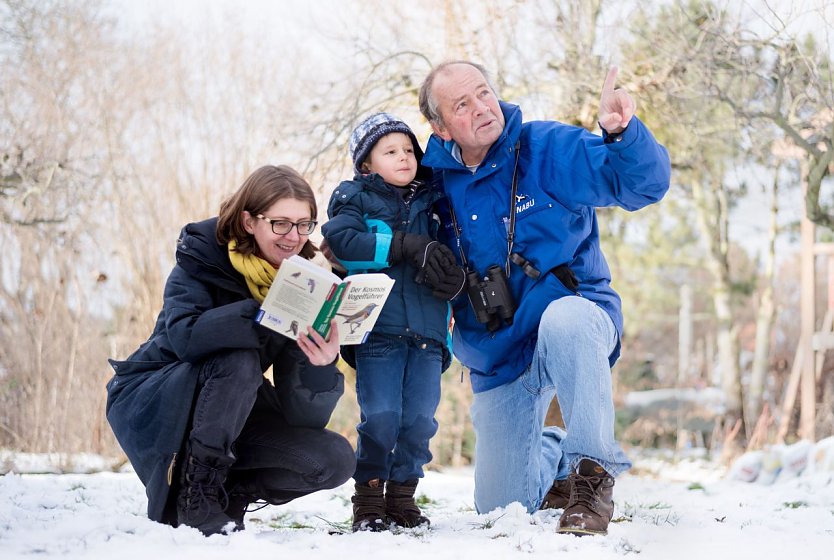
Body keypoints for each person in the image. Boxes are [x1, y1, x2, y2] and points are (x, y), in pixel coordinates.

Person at [417, 61, 671, 536]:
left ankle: (591, 476)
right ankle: (553, 452)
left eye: (484, 93)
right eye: (462, 105)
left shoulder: (546, 148)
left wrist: (622, 135)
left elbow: (642, 187)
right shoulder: (430, 189)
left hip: (575, 318)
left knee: (566, 318)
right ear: (439, 126)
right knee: (498, 507)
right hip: (500, 352)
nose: (481, 108)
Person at [105, 165, 356, 536]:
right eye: (281, 223)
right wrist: (263, 310)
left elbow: (303, 416)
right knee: (237, 358)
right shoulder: (202, 258)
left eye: (305, 224)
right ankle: (196, 497)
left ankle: (227, 492)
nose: (294, 237)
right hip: (157, 398)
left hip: (231, 410)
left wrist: (320, 365)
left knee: (333, 459)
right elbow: (184, 338)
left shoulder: (298, 283)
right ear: (249, 221)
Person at [321, 113, 462, 532]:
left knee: (420, 421)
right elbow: (343, 244)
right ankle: (368, 499)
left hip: (429, 333)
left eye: (408, 150)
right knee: (381, 416)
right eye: (390, 151)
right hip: (376, 331)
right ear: (366, 164)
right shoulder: (354, 197)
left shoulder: (436, 202)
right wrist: (402, 244)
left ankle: (402, 496)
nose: (404, 157)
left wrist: (454, 277)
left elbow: (457, 250)